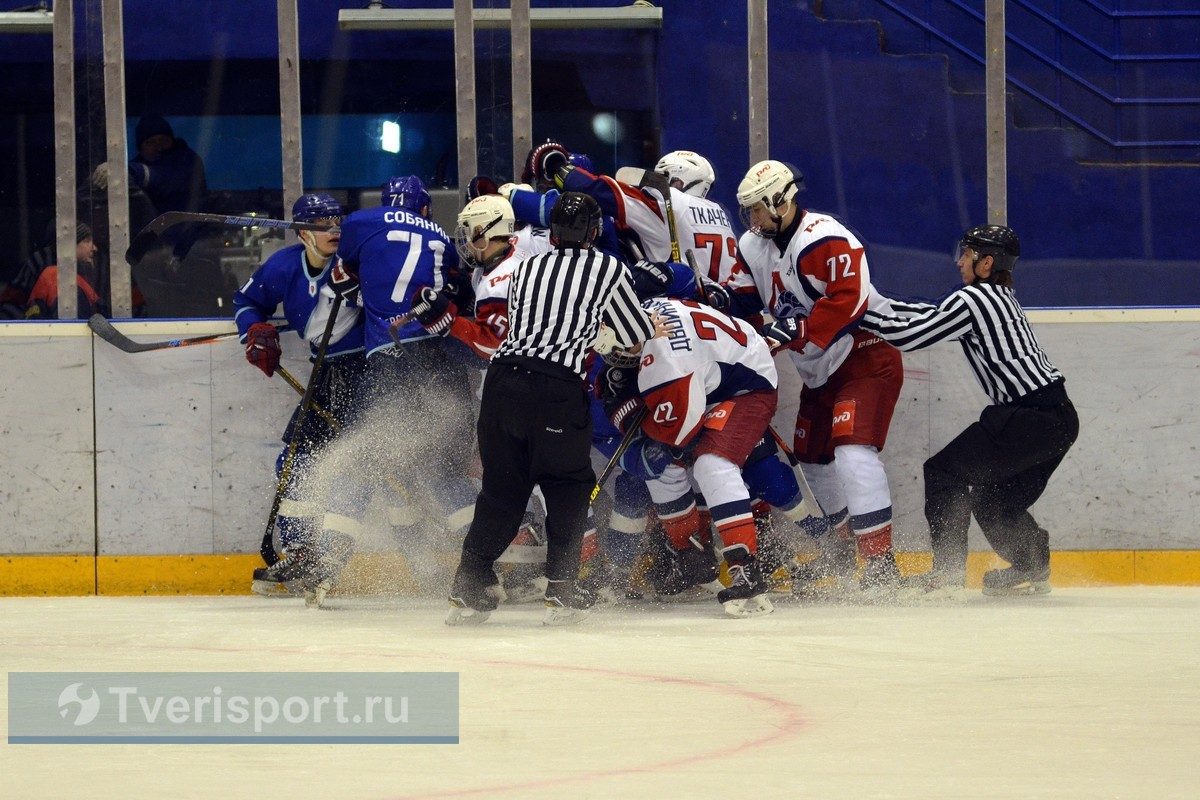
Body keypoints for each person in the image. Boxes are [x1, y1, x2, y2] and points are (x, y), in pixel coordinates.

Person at [445, 192, 658, 627]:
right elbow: (634, 333)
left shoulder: (525, 268)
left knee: (502, 490)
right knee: (567, 487)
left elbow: (539, 326)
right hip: (554, 390)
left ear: (555, 232)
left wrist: (590, 331)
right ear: (594, 232)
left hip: (501, 386)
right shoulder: (608, 268)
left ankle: (470, 584)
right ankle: (562, 588)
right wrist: (638, 328)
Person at [710, 159, 906, 591]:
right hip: (818, 371)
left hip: (864, 353)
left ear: (780, 202)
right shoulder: (753, 245)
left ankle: (880, 564)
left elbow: (849, 299)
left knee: (853, 452)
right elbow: (743, 301)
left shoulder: (824, 238)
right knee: (813, 460)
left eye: (757, 209)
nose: (752, 218)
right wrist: (713, 301)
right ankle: (844, 550)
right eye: (748, 210)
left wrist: (799, 329)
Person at [860, 225, 1078, 595]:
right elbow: (929, 314)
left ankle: (946, 574)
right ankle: (1032, 565)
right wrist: (872, 304)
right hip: (1059, 419)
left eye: (967, 254)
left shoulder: (973, 300)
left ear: (986, 262)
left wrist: (856, 316)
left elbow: (911, 336)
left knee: (944, 473)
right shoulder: (999, 296)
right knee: (996, 501)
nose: (959, 261)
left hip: (1027, 417)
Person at [599, 296, 782, 617]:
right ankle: (691, 556)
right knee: (658, 468)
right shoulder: (649, 310)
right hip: (706, 379)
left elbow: (676, 434)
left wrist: (636, 427)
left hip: (746, 388)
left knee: (711, 464)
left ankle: (745, 569)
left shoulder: (664, 364)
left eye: (620, 347)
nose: (615, 356)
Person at [335, 175, 479, 566]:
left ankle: (327, 560)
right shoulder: (442, 237)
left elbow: (345, 271)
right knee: (447, 470)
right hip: (438, 356)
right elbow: (453, 289)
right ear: (426, 208)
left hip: (391, 357)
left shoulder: (362, 222)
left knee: (370, 462)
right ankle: (481, 568)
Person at [233, 193, 366, 604]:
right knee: (296, 460)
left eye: (337, 222)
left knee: (358, 466)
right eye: (323, 225)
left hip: (369, 371)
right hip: (325, 374)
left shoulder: (358, 260)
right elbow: (246, 302)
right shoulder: (283, 266)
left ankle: (335, 559)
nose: (334, 230)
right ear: (303, 233)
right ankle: (303, 552)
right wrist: (254, 331)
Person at [23, 224, 107, 319]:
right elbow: (73, 326)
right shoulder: (61, 280)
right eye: (87, 241)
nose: (94, 248)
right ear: (71, 245)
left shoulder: (71, 277)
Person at [130, 114, 208, 214]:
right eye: (150, 142)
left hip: (188, 221)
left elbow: (166, 180)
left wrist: (135, 172)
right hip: (153, 223)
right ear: (141, 150)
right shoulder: (136, 167)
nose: (158, 147)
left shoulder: (187, 160)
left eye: (163, 140)